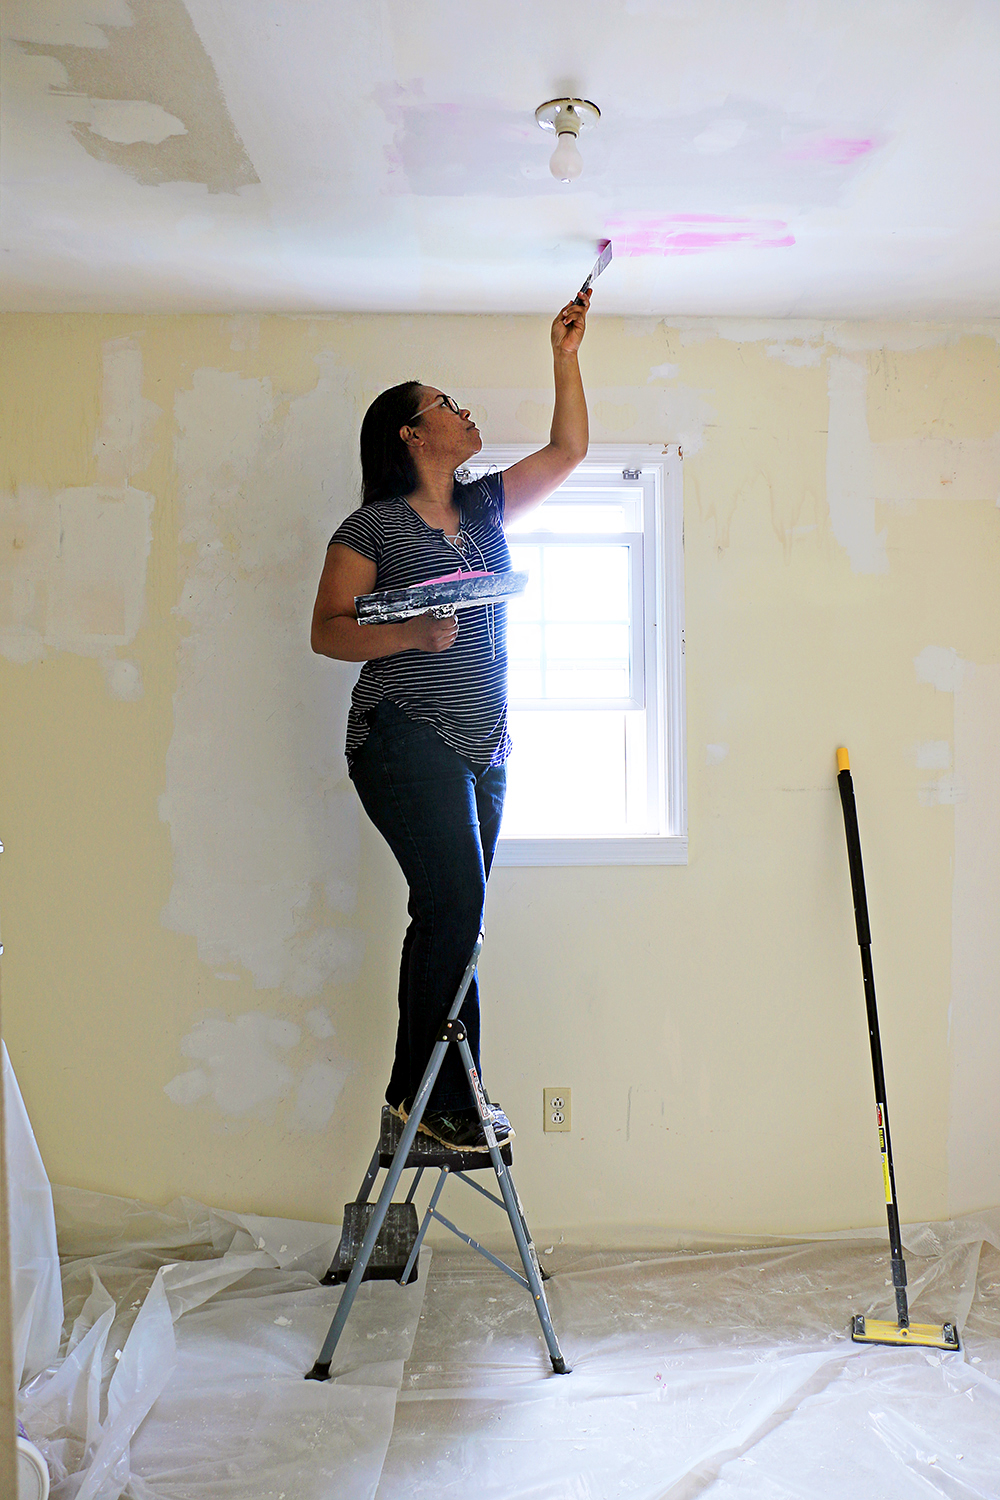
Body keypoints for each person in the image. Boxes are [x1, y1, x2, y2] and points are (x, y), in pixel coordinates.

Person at [311, 292, 590, 1150]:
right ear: (410, 433)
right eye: (448, 406)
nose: (466, 414)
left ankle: (447, 1098)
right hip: (403, 736)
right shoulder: (372, 526)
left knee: (456, 917)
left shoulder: (483, 508)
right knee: (455, 902)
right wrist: (411, 633)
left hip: (484, 746)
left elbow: (570, 450)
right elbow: (327, 631)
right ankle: (421, 1104)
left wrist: (564, 355)